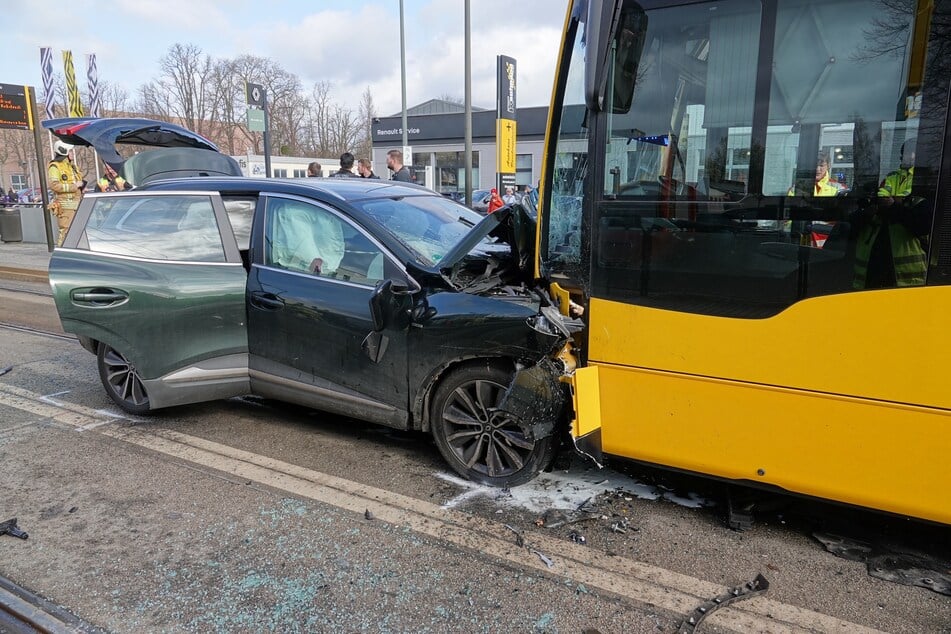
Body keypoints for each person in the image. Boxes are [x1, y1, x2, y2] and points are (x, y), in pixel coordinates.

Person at [852, 138, 928, 289]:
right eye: (904, 153)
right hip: (873, 266)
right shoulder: (891, 177)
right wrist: (876, 206)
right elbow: (881, 194)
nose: (906, 157)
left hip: (906, 278)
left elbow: (922, 222)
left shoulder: (925, 180)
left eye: (911, 153)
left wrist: (893, 206)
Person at [48, 141, 85, 246]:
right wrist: (75, 186)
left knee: (78, 230)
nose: (73, 154)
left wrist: (82, 188)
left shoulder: (72, 166)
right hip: (65, 204)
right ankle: (62, 252)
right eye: (71, 151)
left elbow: (78, 182)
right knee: (65, 230)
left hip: (77, 202)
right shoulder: (54, 167)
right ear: (64, 151)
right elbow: (54, 185)